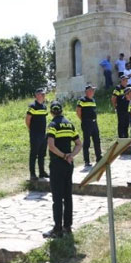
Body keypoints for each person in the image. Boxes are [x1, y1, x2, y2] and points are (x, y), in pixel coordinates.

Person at [43, 101, 82, 239]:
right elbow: (79, 144)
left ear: (52, 112)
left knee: (57, 198)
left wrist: (63, 156)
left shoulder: (52, 125)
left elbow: (51, 146)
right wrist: (71, 155)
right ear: (61, 110)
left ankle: (57, 229)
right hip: (68, 165)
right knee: (68, 196)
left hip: (57, 164)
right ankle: (68, 226)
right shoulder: (69, 124)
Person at [25, 89, 50, 180]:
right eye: (42, 94)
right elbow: (27, 120)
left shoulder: (44, 106)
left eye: (44, 94)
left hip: (43, 134)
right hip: (35, 134)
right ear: (37, 95)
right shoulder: (33, 106)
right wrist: (31, 130)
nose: (44, 96)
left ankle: (42, 172)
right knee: (33, 154)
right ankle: (32, 174)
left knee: (42, 154)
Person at [76, 84, 102, 167]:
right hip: (86, 123)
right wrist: (83, 120)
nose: (93, 92)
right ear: (87, 91)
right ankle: (86, 161)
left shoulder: (93, 100)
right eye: (92, 90)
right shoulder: (82, 100)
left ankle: (99, 157)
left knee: (97, 140)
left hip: (94, 123)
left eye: (93, 90)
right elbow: (78, 112)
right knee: (87, 142)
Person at [112, 74, 130, 139]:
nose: (126, 82)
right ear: (122, 81)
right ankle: (121, 137)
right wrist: (115, 107)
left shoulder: (128, 88)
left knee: (126, 123)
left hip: (127, 109)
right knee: (121, 123)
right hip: (121, 109)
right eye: (125, 80)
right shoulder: (118, 88)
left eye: (127, 80)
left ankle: (126, 136)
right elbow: (113, 98)